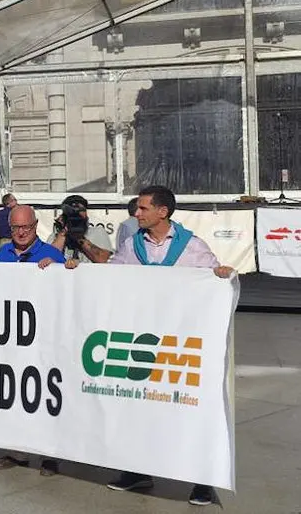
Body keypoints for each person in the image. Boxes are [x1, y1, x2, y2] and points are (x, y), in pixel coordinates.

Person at [98, 185, 233, 507]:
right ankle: (138, 471)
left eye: (143, 208)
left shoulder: (193, 248)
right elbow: (110, 277)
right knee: (140, 407)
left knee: (190, 412)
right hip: (143, 342)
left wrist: (222, 276)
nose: (136, 213)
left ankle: (203, 481)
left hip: (179, 345)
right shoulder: (132, 246)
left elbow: (212, 282)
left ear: (163, 212)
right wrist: (78, 271)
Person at [0, 204, 65, 475]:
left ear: (35, 226)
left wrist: (58, 270)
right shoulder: (2, 253)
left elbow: (68, 287)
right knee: (14, 394)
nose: (21, 232)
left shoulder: (51, 253)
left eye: (26, 227)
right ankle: (17, 451)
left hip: (43, 339)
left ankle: (49, 456)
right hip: (10, 338)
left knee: (44, 396)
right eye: (16, 228)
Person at [47, 195, 112, 264]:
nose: (76, 217)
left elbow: (103, 259)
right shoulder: (56, 236)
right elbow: (48, 259)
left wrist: (79, 237)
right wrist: (63, 232)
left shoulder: (98, 232)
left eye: (80, 210)